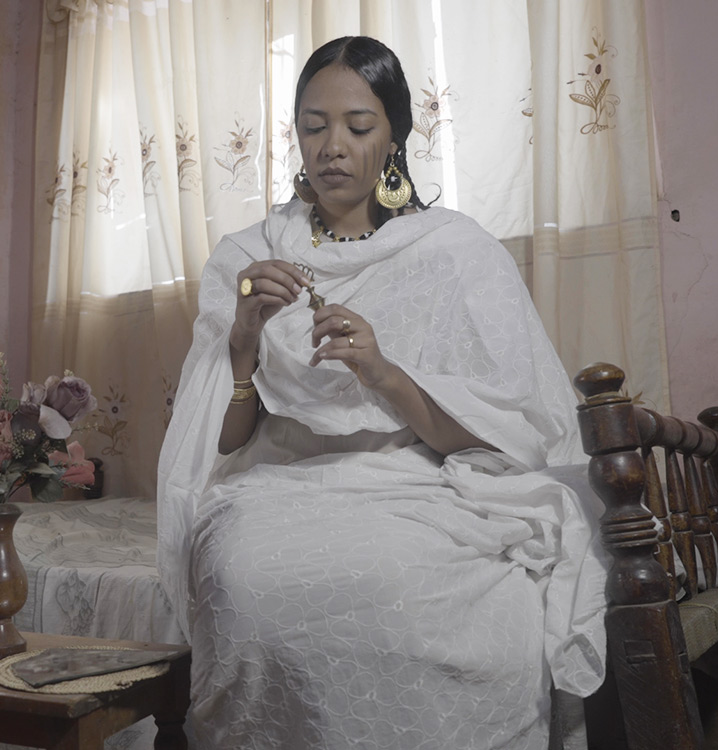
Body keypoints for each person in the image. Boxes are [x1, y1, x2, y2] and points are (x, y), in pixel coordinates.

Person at [158, 36, 606, 750]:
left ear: (394, 134)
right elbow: (229, 441)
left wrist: (382, 371)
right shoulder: (246, 258)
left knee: (404, 583)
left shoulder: (455, 252)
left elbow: (499, 441)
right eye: (313, 125)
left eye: (358, 127)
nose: (333, 145)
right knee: (240, 575)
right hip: (284, 486)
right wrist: (241, 343)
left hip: (425, 484)